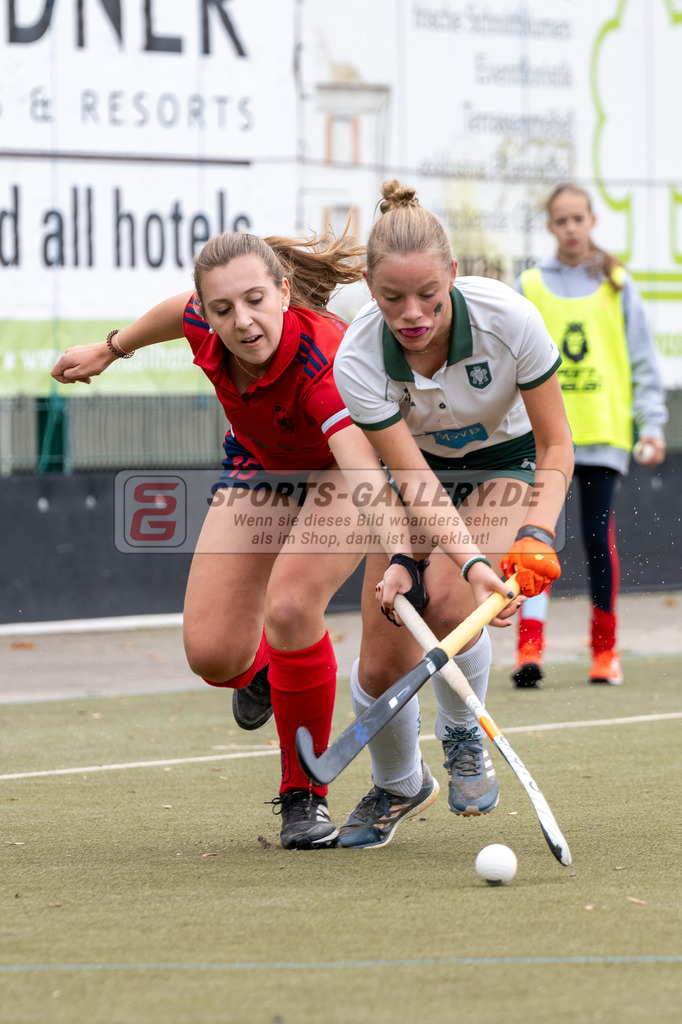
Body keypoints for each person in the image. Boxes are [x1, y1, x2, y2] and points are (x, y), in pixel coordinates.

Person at [51, 227, 375, 851]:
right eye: (224, 309)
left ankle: (304, 795)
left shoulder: (322, 361)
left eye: (256, 300)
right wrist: (110, 349)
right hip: (260, 463)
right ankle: (266, 674)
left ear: (284, 291)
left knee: (288, 607)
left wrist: (401, 547)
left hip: (343, 466)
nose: (243, 322)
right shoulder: (205, 320)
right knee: (214, 654)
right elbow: (180, 310)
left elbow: (360, 466)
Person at [331, 179, 574, 849]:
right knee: (380, 667)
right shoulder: (358, 358)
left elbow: (558, 443)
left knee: (445, 600)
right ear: (369, 288)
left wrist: (533, 533)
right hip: (422, 476)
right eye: (391, 298)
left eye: (428, 297)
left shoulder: (510, 319)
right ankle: (398, 785)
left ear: (454, 277)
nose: (412, 314)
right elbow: (410, 477)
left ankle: (463, 731)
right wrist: (410, 555)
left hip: (509, 459)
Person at [512, 184, 667, 689]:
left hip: (602, 434)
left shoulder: (617, 282)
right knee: (537, 538)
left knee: (599, 539)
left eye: (579, 218)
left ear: (592, 221)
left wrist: (653, 424)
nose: (571, 228)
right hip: (543, 439)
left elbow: (643, 362)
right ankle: (528, 647)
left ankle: (605, 650)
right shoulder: (530, 285)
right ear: (551, 226)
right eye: (561, 220)